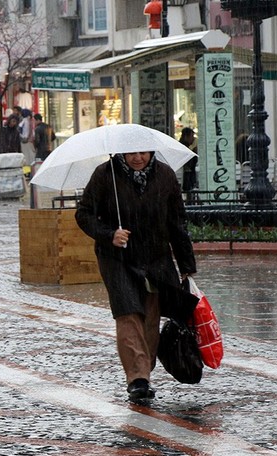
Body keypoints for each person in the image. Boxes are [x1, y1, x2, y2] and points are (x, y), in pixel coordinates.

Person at [75, 151, 197, 401]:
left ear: (151, 152)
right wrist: (110, 234)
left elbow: (177, 222)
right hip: (117, 258)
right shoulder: (105, 173)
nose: (138, 158)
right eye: (132, 153)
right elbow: (84, 214)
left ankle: (144, 367)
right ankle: (138, 379)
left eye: (143, 153)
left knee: (150, 316)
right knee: (128, 313)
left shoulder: (164, 175)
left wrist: (186, 263)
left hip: (155, 257)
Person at [179, 127, 198, 200]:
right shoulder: (183, 145)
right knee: (188, 189)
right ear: (186, 136)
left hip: (191, 171)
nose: (192, 139)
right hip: (186, 172)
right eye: (191, 136)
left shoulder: (191, 146)